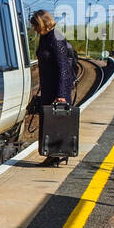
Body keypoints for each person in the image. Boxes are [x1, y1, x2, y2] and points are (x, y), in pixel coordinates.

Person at [29, 9, 74, 165]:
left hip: (57, 88)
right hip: (49, 86)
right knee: (49, 122)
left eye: (35, 25)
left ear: (42, 23)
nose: (34, 29)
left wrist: (61, 94)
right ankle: (53, 155)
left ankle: (57, 155)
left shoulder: (56, 37)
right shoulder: (45, 37)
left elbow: (63, 67)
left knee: (56, 122)